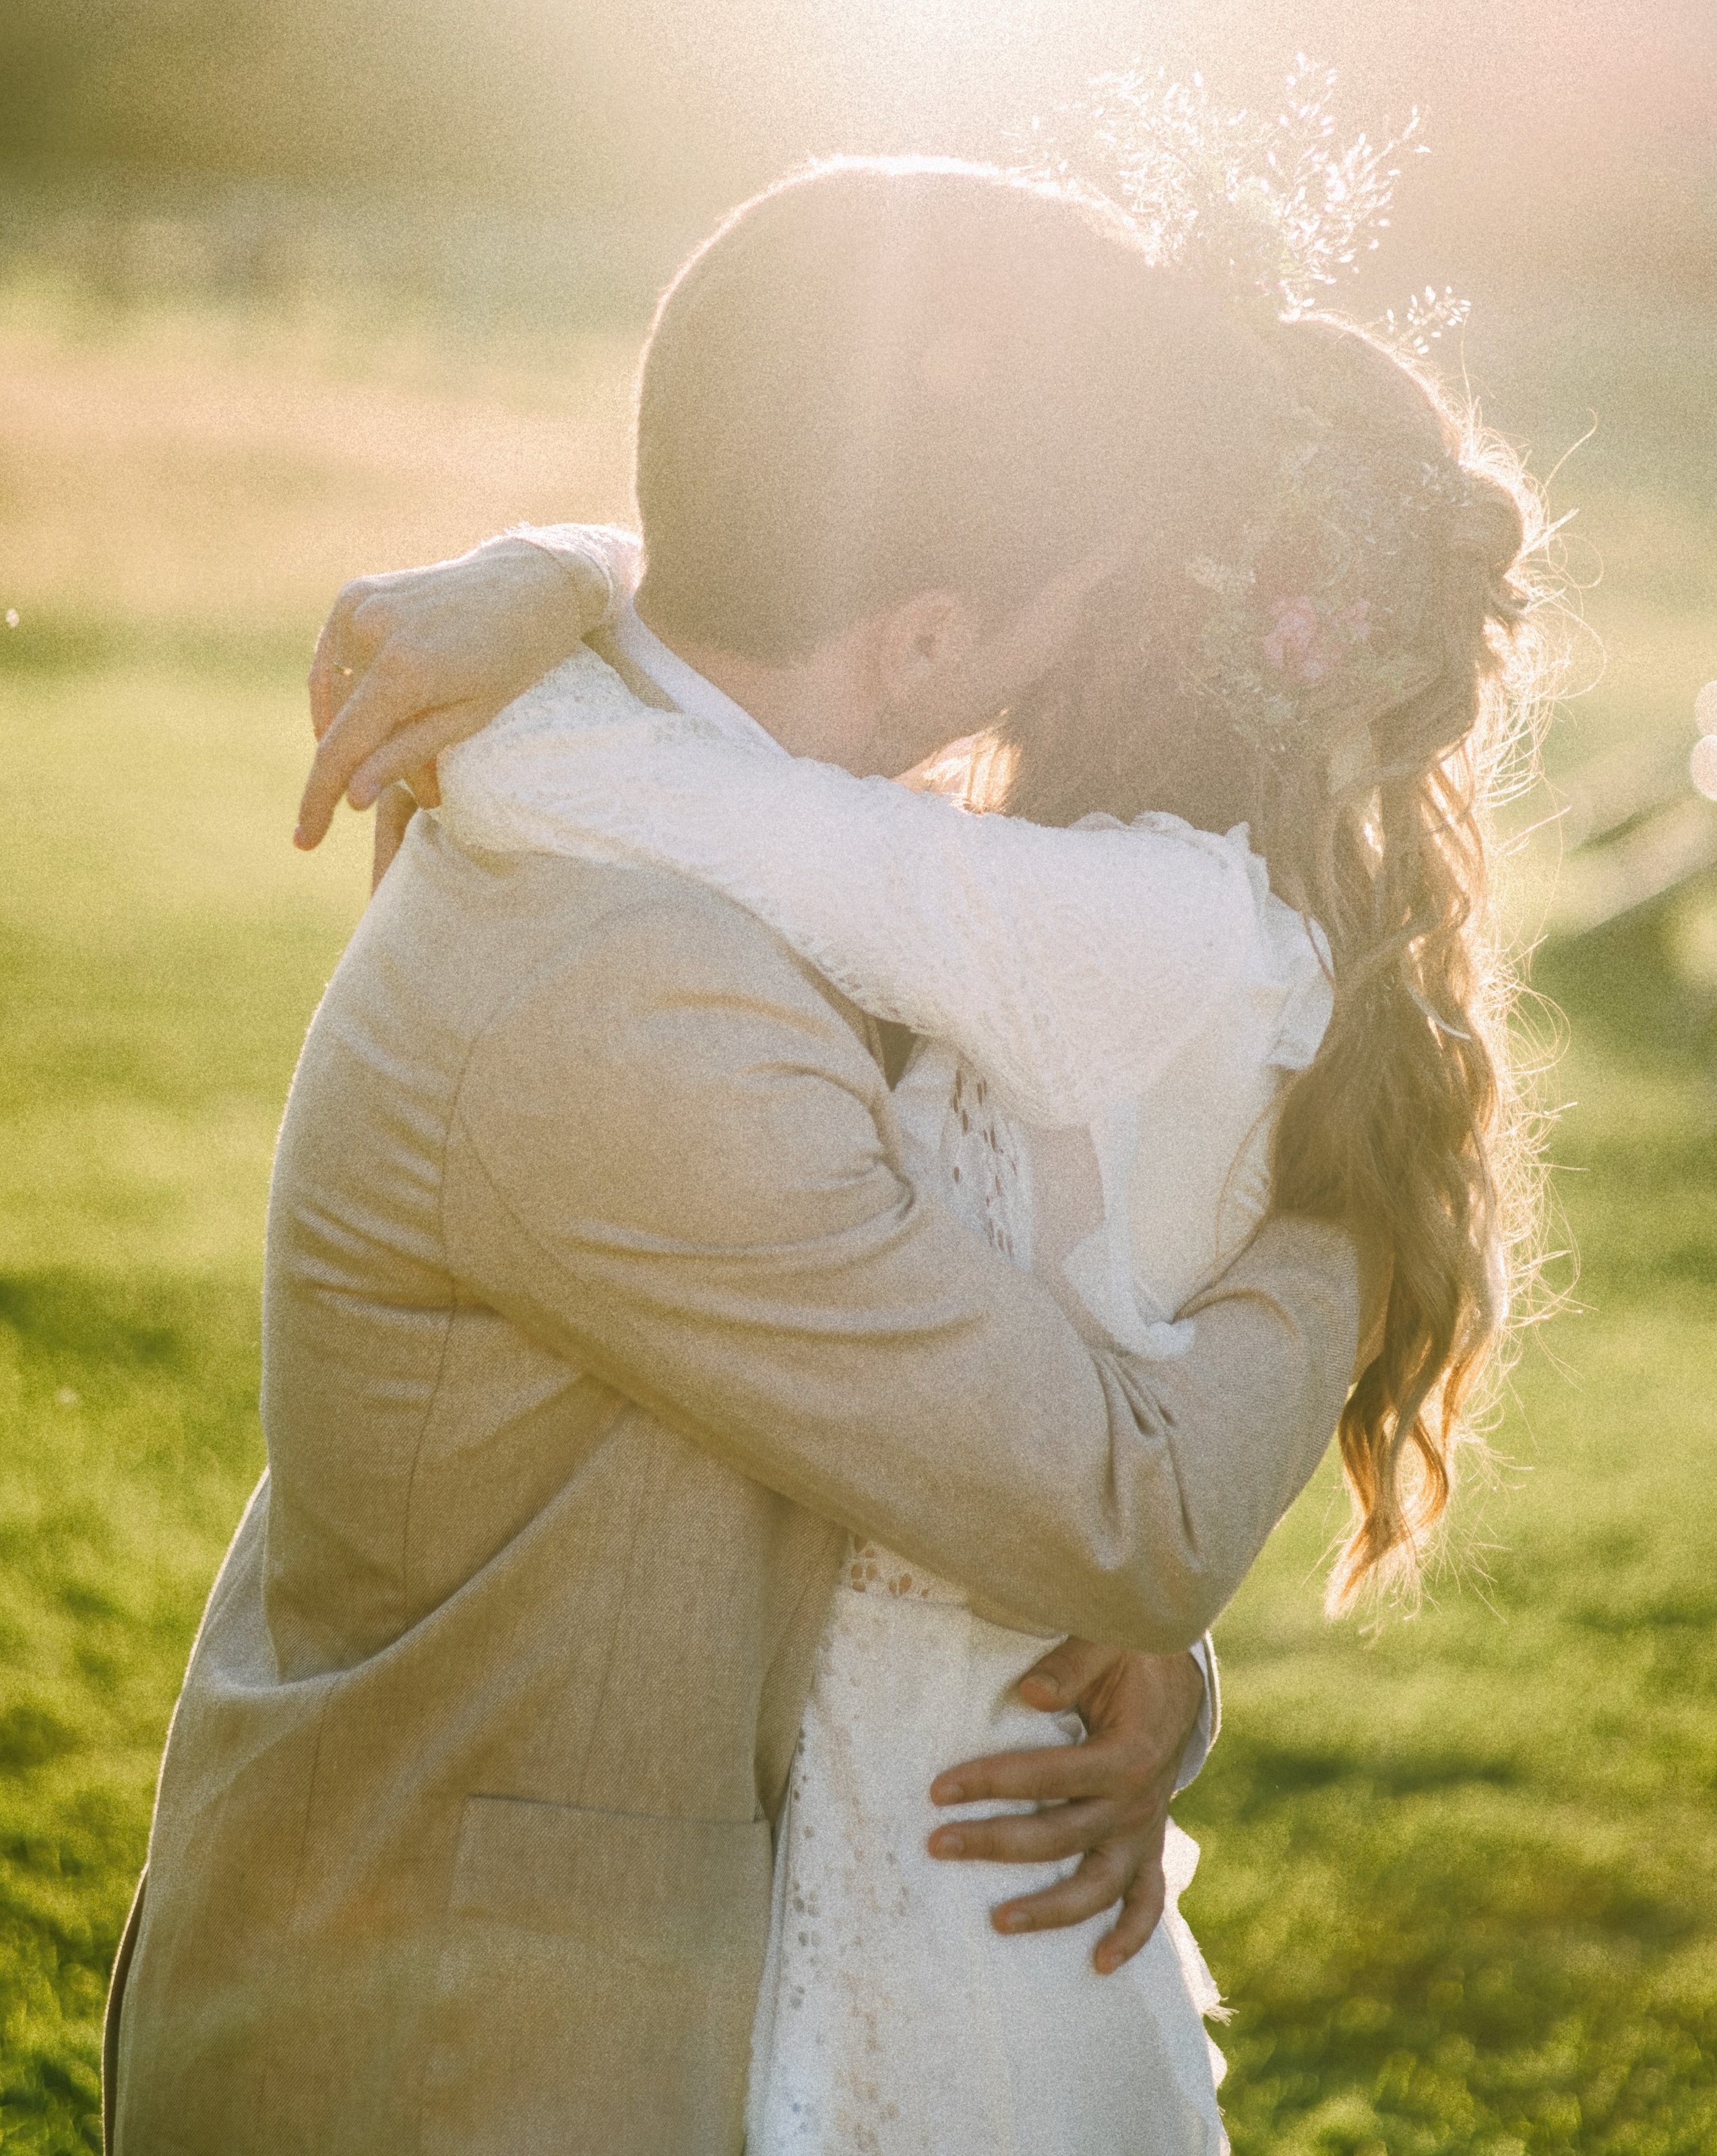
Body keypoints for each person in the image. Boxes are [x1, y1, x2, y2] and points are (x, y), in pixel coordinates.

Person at [106, 161, 1371, 2156]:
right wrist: (1362, 1231)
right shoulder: (633, 1001)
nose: (1058, 680)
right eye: (1062, 621)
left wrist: (556, 565)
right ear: (930, 628)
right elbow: (1117, 1506)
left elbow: (932, 1470)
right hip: (458, 2051)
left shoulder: (668, 782)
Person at [328, 249, 1545, 2153]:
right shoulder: (1080, 894)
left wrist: (515, 630)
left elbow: (702, 785)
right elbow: (805, 604)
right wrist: (560, 574)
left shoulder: (1117, 922)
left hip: (940, 1807)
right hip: (902, 1793)